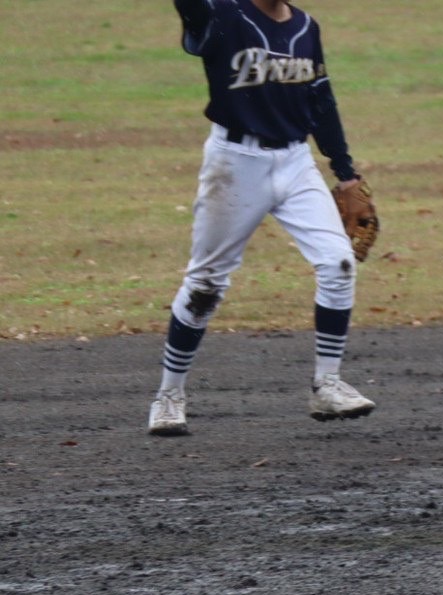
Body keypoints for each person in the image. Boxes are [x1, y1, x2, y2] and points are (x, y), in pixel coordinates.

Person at [148, 0, 375, 436]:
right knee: (206, 284)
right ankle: (169, 396)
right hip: (234, 163)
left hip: (295, 162)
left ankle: (326, 385)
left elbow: (321, 100)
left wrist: (345, 174)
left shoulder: (307, 27)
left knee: (338, 262)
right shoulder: (219, 15)